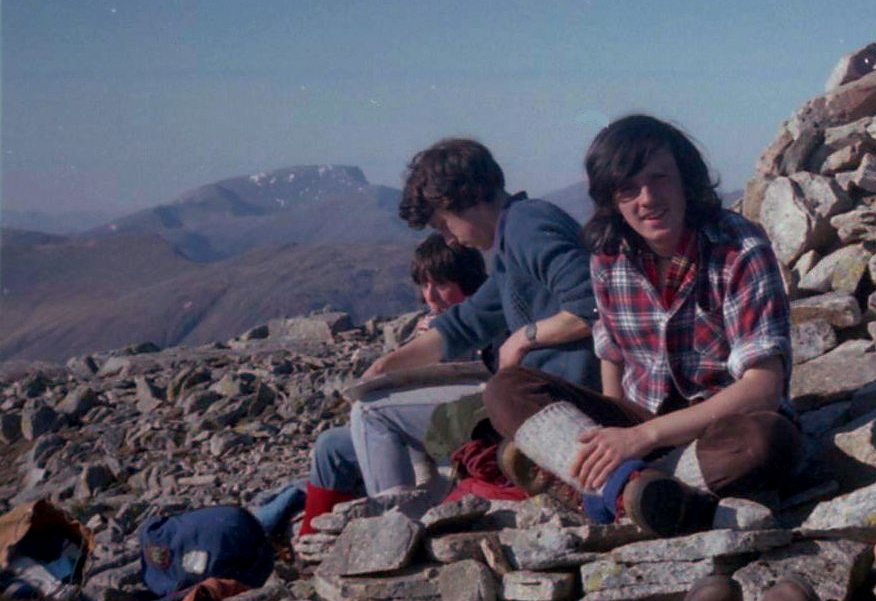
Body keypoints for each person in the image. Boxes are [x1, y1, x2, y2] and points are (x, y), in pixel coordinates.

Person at [483, 114, 804, 538]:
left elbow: (763, 387)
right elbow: (611, 356)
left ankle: (601, 488)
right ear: (611, 199)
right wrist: (607, 434)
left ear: (686, 180)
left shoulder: (740, 249)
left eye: (659, 178)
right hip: (639, 417)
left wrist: (640, 440)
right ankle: (636, 491)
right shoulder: (608, 257)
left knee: (766, 443)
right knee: (505, 390)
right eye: (628, 188)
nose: (647, 198)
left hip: (715, 423)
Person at [342, 137, 600, 502]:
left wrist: (525, 336)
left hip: (559, 400)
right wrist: (388, 365)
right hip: (543, 395)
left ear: (466, 201)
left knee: (372, 414)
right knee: (383, 402)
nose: (448, 239)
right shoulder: (512, 241)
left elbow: (595, 304)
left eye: (444, 225)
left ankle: (396, 529)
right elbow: (466, 323)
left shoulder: (527, 227)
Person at [256, 236, 491, 537]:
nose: (430, 296)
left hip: (460, 429)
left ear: (468, 282)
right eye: (424, 285)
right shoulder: (428, 321)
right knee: (331, 446)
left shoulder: (484, 316)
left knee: (372, 415)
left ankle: (396, 531)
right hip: (423, 428)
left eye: (442, 285)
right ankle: (312, 544)